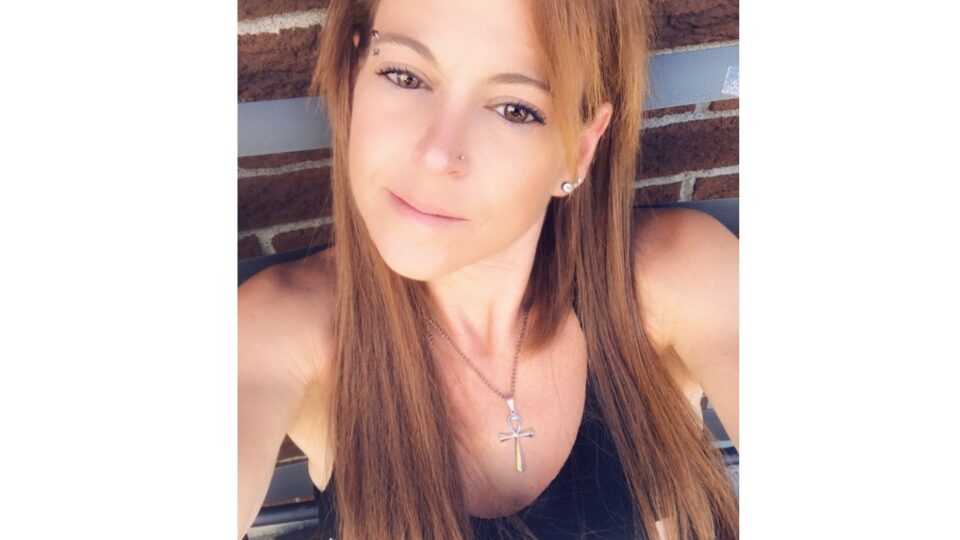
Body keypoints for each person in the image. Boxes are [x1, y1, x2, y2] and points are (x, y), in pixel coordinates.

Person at [239, 0, 739, 538]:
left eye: (516, 110)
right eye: (404, 76)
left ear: (579, 149)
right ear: (352, 77)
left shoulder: (675, 277)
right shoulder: (286, 327)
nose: (437, 154)